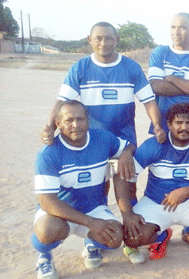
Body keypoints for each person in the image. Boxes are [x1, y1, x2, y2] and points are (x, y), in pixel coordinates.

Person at [40, 21, 166, 207]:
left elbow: (149, 101)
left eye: (109, 38)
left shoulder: (131, 68)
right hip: (92, 141)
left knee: (128, 192)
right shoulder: (80, 68)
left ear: (117, 40)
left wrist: (157, 125)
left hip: (125, 141)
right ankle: (99, 226)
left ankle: (133, 231)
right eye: (98, 38)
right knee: (98, 192)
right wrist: (50, 127)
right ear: (90, 40)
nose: (103, 43)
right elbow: (62, 102)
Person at [32, 100, 133, 279]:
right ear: (58, 124)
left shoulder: (102, 138)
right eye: (69, 120)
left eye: (80, 119)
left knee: (115, 237)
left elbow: (127, 145)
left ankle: (90, 243)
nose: (76, 125)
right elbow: (47, 202)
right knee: (46, 231)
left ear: (88, 121)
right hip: (61, 213)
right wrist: (91, 223)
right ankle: (44, 256)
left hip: (93, 208)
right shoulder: (48, 154)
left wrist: (126, 153)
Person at [115, 103, 189, 265]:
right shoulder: (154, 145)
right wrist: (127, 214)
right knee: (131, 238)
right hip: (156, 203)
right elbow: (121, 178)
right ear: (169, 125)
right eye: (178, 123)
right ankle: (161, 234)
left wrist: (184, 192)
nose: (184, 127)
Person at [147, 13, 189, 249]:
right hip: (164, 126)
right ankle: (161, 224)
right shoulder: (160, 53)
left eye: (183, 28)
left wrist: (173, 78)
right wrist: (187, 85)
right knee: (160, 172)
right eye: (173, 26)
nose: (177, 32)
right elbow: (155, 86)